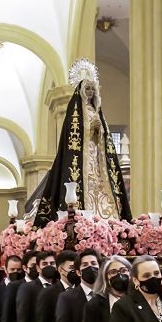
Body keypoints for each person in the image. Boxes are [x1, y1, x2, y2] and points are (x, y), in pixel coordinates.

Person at [28, 72, 132, 226]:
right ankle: (79, 217)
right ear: (82, 90)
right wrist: (89, 128)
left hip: (96, 157)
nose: (90, 92)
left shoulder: (97, 111)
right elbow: (71, 136)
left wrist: (100, 130)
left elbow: (103, 140)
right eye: (88, 89)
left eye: (92, 89)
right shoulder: (74, 111)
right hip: (80, 158)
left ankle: (104, 219)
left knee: (100, 186)